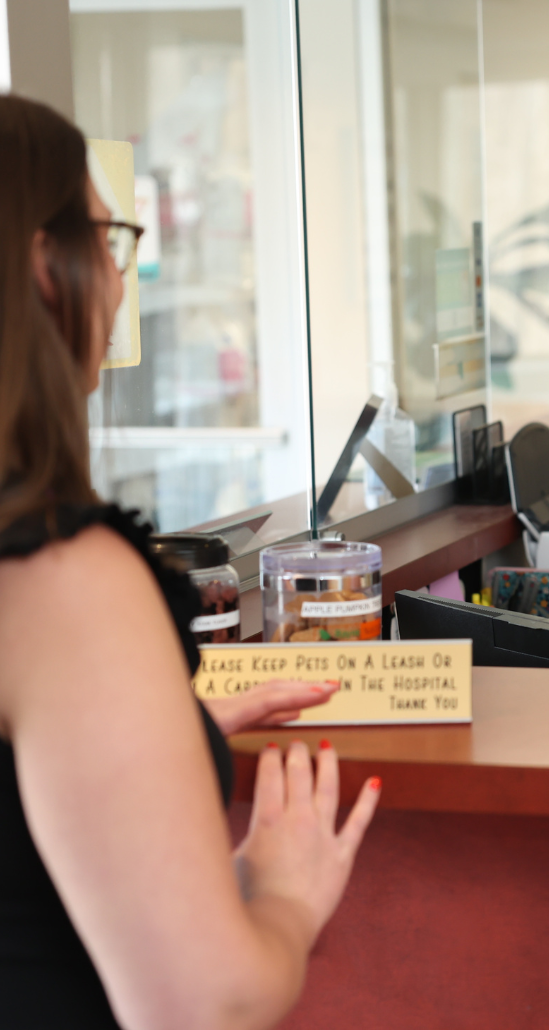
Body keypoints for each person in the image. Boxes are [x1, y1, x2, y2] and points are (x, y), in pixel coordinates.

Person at [0, 95, 379, 1028]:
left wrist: (147, 735)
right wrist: (285, 896)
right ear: (46, 267)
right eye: (111, 241)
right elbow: (204, 1003)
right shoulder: (64, 581)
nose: (121, 278)